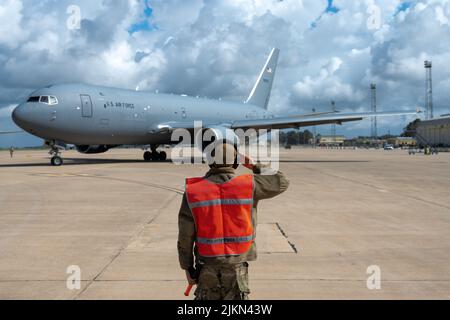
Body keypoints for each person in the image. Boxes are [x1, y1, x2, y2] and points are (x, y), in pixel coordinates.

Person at [178, 141, 289, 300]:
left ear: (210, 161)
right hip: (237, 266)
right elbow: (282, 180)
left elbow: (185, 236)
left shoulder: (193, 191)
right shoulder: (249, 185)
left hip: (206, 265)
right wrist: (253, 165)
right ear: (236, 162)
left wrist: (187, 268)